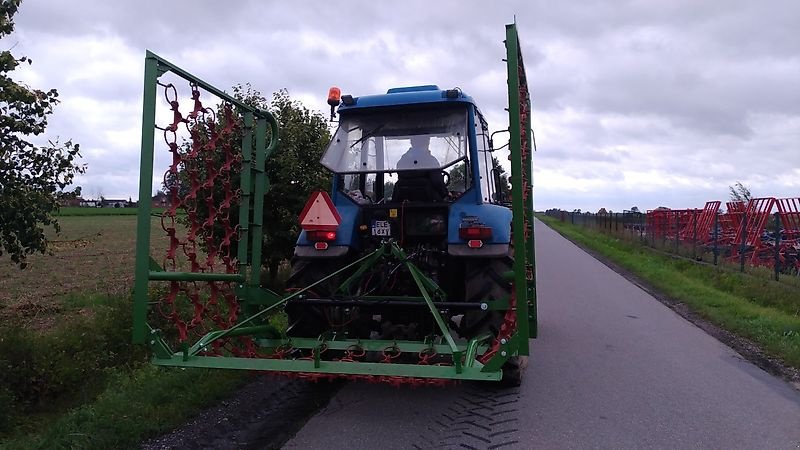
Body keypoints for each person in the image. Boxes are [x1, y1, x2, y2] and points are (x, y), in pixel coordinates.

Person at [393, 135, 448, 201]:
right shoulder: (431, 161)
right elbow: (437, 182)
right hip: (430, 206)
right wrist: (446, 193)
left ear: (412, 142)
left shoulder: (402, 161)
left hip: (402, 205)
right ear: (428, 142)